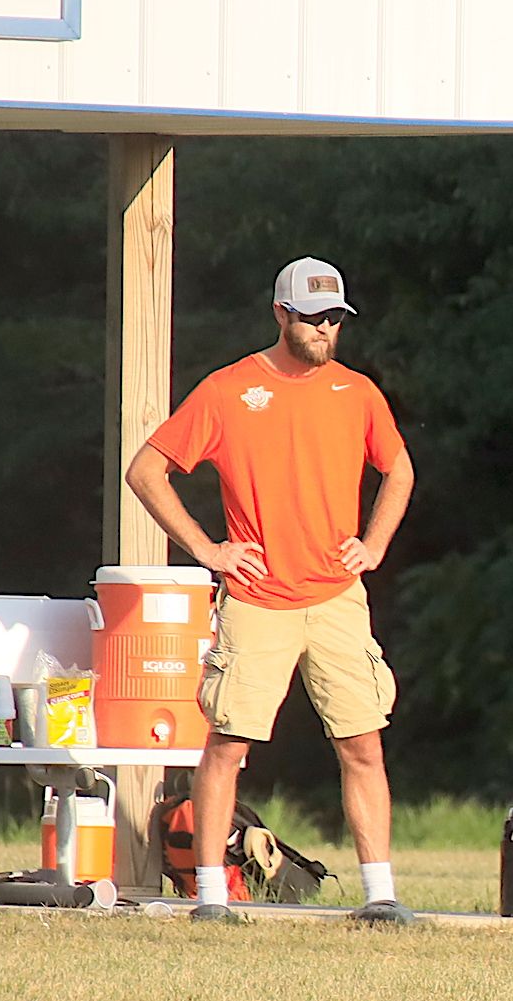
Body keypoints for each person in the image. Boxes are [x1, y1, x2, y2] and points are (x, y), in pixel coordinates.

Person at [125, 258, 416, 925]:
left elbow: (398, 470)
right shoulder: (228, 390)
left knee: (363, 743)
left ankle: (380, 895)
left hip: (337, 598)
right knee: (228, 745)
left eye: (335, 318)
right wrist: (208, 550)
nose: (325, 329)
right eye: (312, 318)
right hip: (256, 600)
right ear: (281, 314)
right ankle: (211, 896)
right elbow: (146, 471)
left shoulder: (357, 393)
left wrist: (373, 545)